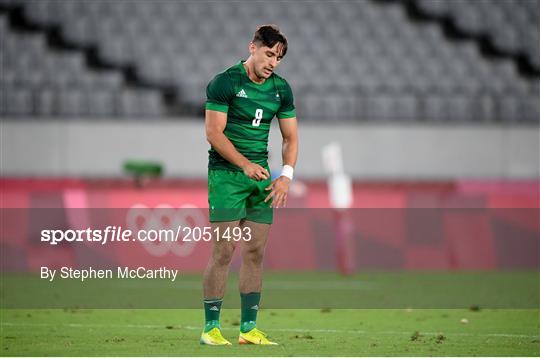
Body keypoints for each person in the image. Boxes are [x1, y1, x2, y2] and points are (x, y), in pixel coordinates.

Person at [200, 24, 298, 346]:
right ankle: (211, 329)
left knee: (255, 251)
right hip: (227, 176)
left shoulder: (281, 90)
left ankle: (248, 330)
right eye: (269, 54)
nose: (273, 62)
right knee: (224, 250)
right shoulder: (225, 82)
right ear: (252, 48)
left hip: (260, 178)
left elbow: (290, 137)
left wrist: (285, 176)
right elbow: (214, 133)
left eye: (279, 58)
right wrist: (244, 164)